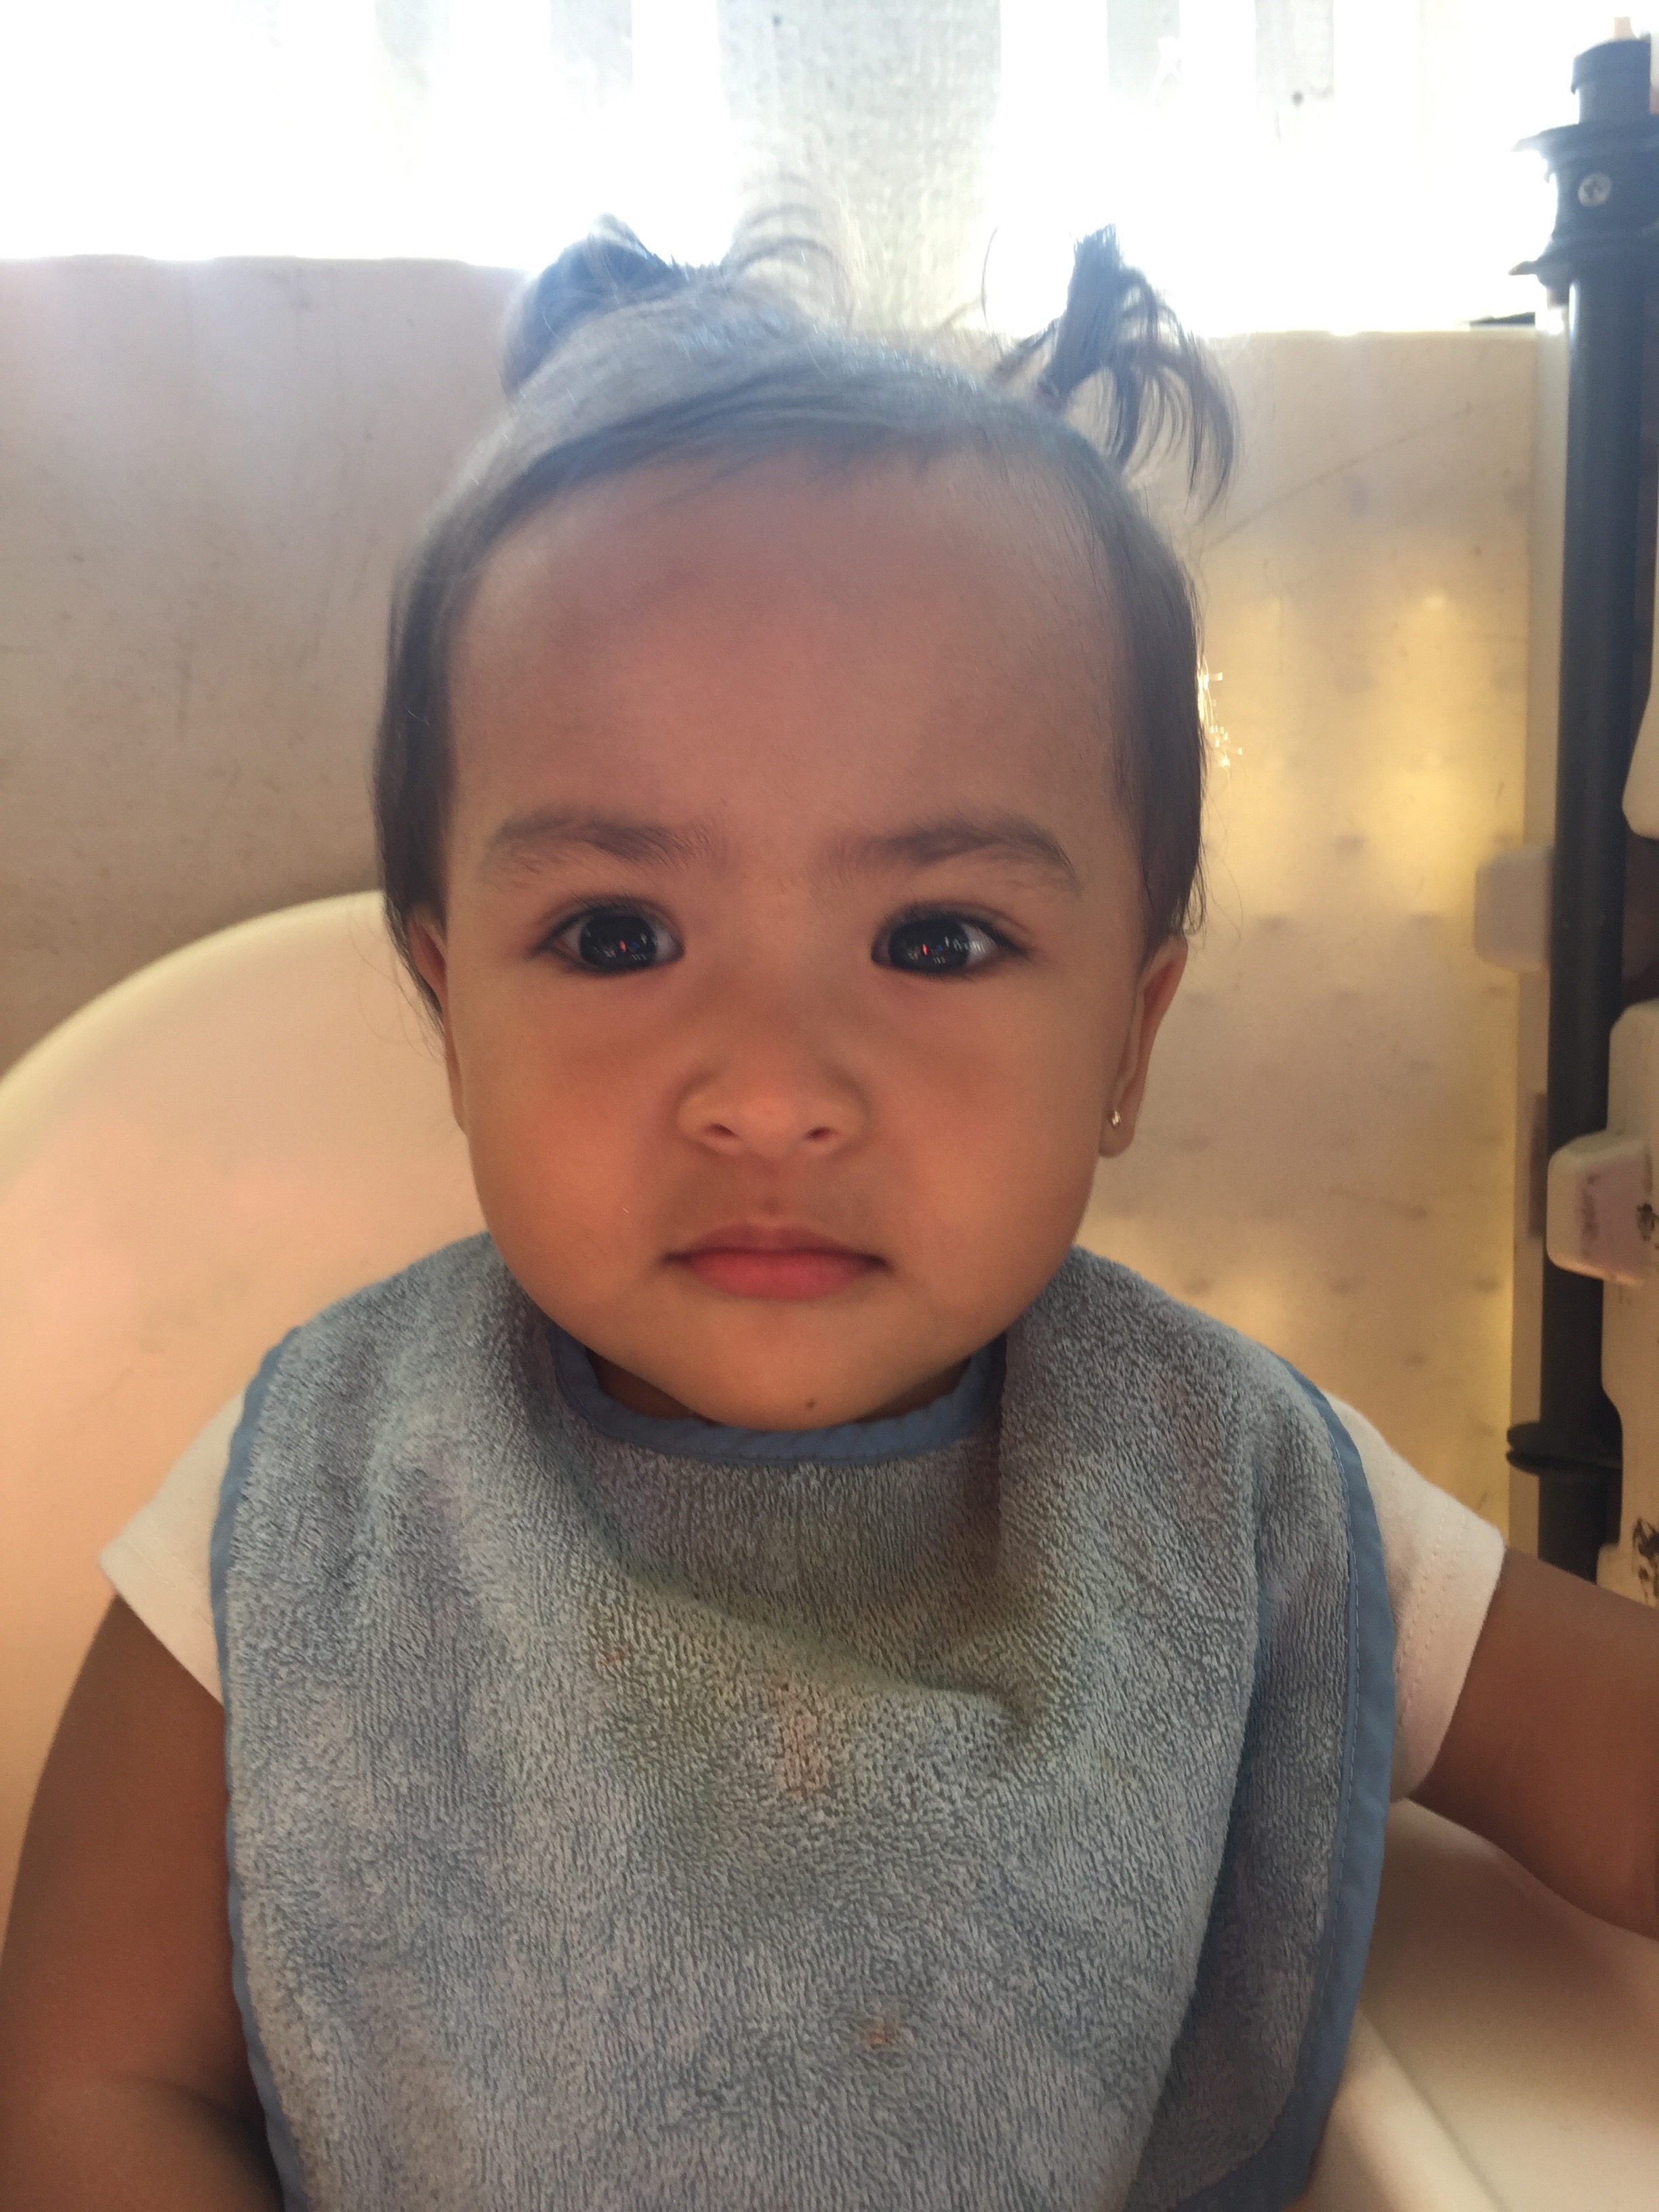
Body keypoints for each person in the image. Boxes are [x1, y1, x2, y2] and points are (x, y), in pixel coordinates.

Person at [1, 223, 1656, 2212]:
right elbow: (85, 2086)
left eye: (934, 937)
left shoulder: (1219, 1487)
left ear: (1128, 1036)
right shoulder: (311, 1506)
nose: (773, 1090)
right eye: (618, 935)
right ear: (449, 1010)